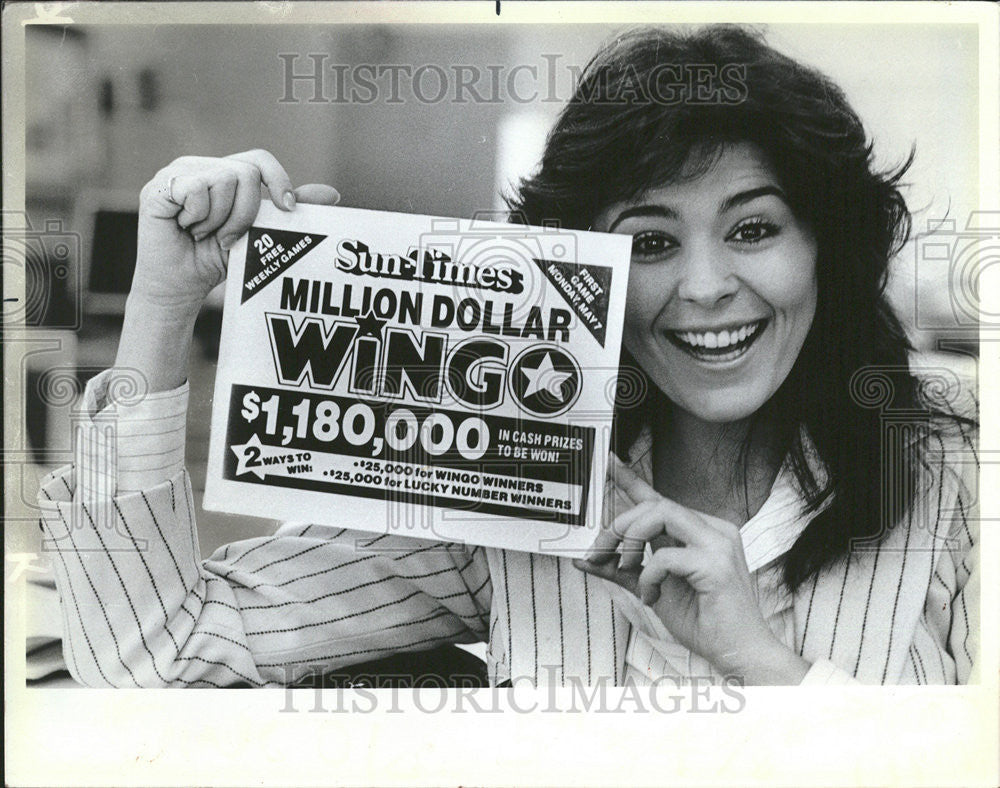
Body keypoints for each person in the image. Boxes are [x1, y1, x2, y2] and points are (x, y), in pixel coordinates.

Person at [37, 24, 978, 687]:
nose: (702, 288)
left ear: (828, 244)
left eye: (754, 229)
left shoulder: (961, 471)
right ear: (586, 268)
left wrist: (766, 664)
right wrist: (163, 299)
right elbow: (150, 653)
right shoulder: (499, 481)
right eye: (650, 241)